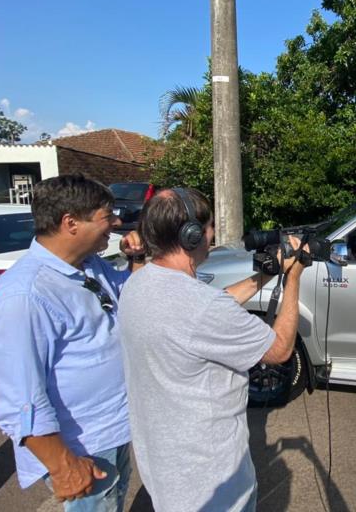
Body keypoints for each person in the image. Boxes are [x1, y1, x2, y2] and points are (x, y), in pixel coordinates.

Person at [118, 188, 308, 512]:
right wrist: (294, 277)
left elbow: (206, 312)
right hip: (212, 485)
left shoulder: (138, 283)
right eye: (208, 228)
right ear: (191, 236)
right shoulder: (201, 308)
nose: (212, 234)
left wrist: (265, 274)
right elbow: (278, 351)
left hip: (167, 473)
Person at [0, 175, 146, 511]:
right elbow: (18, 398)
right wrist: (62, 465)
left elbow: (128, 299)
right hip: (80, 449)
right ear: (70, 222)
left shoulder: (87, 266)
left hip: (110, 431)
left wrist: (137, 260)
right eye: (107, 216)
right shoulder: (25, 295)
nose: (116, 223)